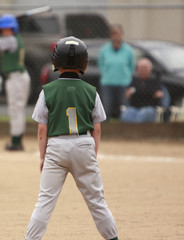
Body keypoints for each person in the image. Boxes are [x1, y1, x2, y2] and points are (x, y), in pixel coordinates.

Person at [25, 36, 119, 240]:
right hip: (84, 144)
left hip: (56, 146)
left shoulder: (47, 91)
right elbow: (97, 129)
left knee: (45, 201)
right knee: (97, 201)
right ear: (84, 62)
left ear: (55, 61)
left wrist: (43, 157)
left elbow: (42, 130)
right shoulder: (91, 91)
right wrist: (91, 154)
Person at [0, 14, 30, 151]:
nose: (4, 31)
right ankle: (16, 140)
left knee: (16, 109)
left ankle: (16, 141)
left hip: (17, 78)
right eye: (3, 29)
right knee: (16, 110)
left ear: (12, 29)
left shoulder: (11, 40)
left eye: (7, 28)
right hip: (16, 78)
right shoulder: (10, 38)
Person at [98, 24, 136, 120]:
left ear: (122, 35)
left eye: (118, 34)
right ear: (111, 36)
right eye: (114, 34)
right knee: (106, 108)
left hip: (124, 84)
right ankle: (105, 130)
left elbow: (132, 66)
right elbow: (101, 65)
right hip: (107, 83)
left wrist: (126, 77)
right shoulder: (104, 50)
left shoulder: (128, 50)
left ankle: (125, 129)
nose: (116, 37)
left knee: (124, 108)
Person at [121, 58, 164, 123]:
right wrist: (149, 92)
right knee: (126, 114)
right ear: (137, 69)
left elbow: (159, 94)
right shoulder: (134, 81)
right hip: (134, 108)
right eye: (140, 68)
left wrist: (138, 91)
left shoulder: (155, 82)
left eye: (145, 68)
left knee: (143, 114)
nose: (142, 70)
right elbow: (127, 94)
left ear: (150, 69)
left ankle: (138, 132)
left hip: (150, 108)